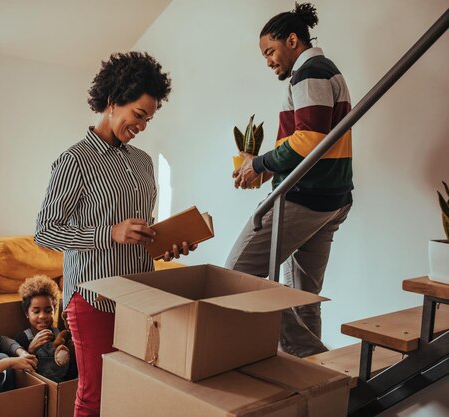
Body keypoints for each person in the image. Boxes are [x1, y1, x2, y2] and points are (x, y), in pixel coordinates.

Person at [35, 51, 195, 417]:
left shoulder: (142, 162)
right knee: (95, 395)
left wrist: (167, 244)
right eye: (138, 115)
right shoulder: (74, 161)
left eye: (148, 119)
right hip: (93, 296)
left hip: (139, 294)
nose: (142, 126)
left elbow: (140, 232)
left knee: (134, 389)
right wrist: (109, 233)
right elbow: (45, 232)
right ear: (112, 102)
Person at [225, 2, 353, 358]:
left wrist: (259, 162)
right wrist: (268, 168)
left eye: (270, 51)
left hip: (306, 198)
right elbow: (313, 141)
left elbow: (309, 140)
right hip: (331, 198)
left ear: (292, 40)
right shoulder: (323, 70)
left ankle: (316, 362)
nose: (267, 60)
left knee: (235, 276)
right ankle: (314, 379)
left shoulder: (309, 72)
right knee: (302, 300)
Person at [14, 275, 76, 382]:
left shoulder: (59, 334)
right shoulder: (23, 338)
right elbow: (21, 371)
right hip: (39, 385)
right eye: (36, 311)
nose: (42, 316)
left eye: (48, 311)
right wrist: (31, 350)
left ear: (54, 311)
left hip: (63, 384)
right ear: (27, 313)